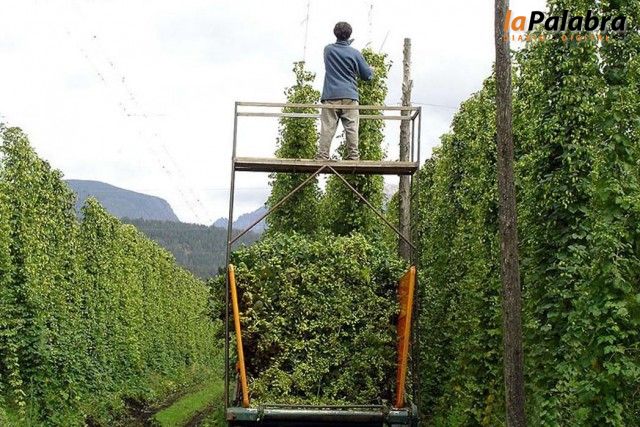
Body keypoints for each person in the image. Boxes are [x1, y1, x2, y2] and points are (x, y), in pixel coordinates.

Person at [316, 22, 373, 161]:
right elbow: (367, 76)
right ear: (350, 34)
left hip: (331, 95)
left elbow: (339, 51)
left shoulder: (328, 50)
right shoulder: (355, 53)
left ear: (335, 33)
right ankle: (353, 156)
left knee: (327, 127)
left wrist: (345, 43)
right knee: (351, 127)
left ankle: (323, 155)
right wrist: (371, 70)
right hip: (350, 95)